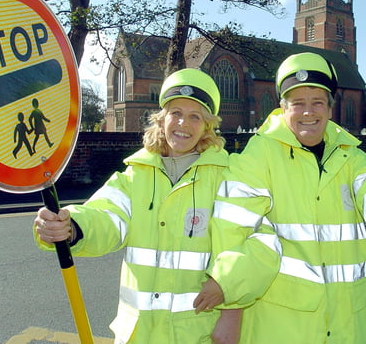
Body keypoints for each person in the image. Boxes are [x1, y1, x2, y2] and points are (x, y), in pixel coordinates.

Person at [194, 52, 366, 343]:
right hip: (282, 326)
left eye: (317, 102)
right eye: (298, 103)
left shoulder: (350, 156)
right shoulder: (258, 156)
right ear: (282, 107)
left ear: (330, 109)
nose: (309, 112)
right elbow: (232, 230)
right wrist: (228, 288)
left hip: (346, 325)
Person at [34, 68, 239, 344]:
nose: (183, 123)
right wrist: (73, 226)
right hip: (138, 335)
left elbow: (243, 245)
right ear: (161, 119)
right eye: (175, 112)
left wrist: (228, 288)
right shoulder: (135, 175)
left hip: (196, 334)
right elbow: (106, 215)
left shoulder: (227, 179)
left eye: (195, 117)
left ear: (207, 126)